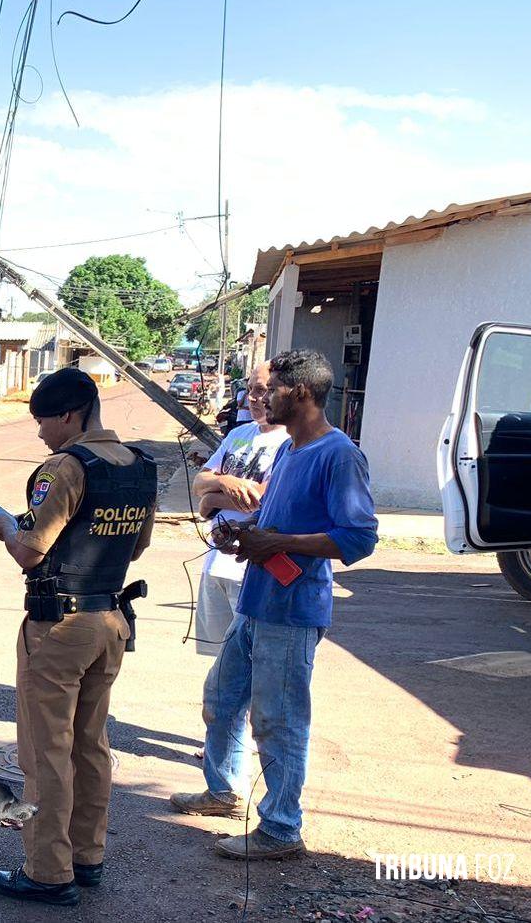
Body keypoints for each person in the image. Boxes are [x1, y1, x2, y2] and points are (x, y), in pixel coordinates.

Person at [171, 349, 377, 861]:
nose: (258, 398)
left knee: (279, 720)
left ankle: (282, 828)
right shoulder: (288, 450)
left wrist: (278, 545)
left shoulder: (338, 454)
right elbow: (275, 516)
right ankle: (222, 792)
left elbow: (358, 537)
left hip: (293, 610)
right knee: (221, 699)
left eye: (273, 388)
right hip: (258, 601)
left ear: (301, 393)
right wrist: (246, 537)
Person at [0, 367, 156, 907]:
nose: (38, 433)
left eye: (42, 421)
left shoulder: (64, 467)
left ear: (68, 415)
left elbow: (31, 550)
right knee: (90, 744)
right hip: (109, 621)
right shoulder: (140, 466)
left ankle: (47, 872)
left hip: (58, 627)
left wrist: (7, 529)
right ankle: (87, 857)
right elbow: (137, 547)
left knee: (45, 753)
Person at [191, 362, 288, 655]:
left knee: (250, 659)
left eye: (260, 390)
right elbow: (200, 482)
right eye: (249, 390)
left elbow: (260, 498)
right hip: (215, 563)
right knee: (220, 662)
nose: (253, 399)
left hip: (250, 568)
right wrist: (228, 481)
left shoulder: (289, 442)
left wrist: (212, 500)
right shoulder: (239, 435)